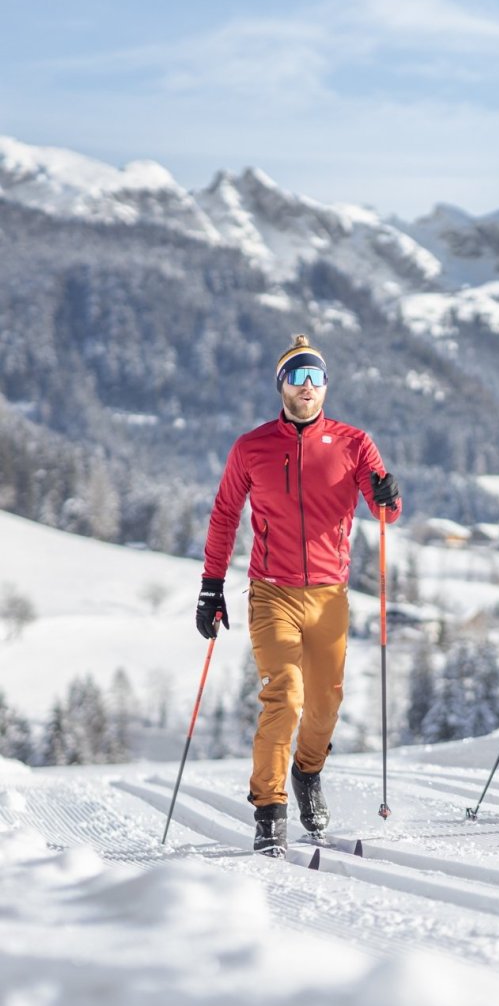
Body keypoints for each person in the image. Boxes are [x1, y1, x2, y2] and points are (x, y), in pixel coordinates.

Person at [195, 334, 401, 857]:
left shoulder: (354, 443)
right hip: (272, 593)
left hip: (330, 595)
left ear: (326, 386)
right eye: (297, 377)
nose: (307, 387)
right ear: (281, 385)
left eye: (316, 378)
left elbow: (387, 513)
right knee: (284, 696)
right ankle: (270, 809)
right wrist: (211, 586)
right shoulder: (252, 447)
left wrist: (387, 496)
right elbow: (224, 516)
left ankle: (308, 772)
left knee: (325, 703)